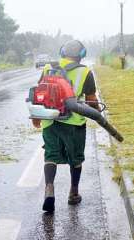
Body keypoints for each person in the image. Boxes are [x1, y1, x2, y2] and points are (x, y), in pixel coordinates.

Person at [32, 40, 100, 213]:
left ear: (63, 52)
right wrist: (98, 114)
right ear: (81, 54)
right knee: (75, 158)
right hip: (74, 123)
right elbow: (91, 100)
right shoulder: (85, 72)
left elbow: (39, 90)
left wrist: (36, 116)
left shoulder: (49, 67)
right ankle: (73, 193)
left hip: (50, 120)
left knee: (51, 155)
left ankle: (49, 188)